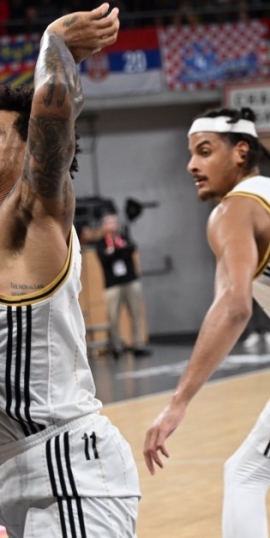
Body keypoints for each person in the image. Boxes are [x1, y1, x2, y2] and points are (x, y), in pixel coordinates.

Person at [0, 5, 140, 537]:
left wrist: (54, 44)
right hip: (16, 470)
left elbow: (54, 120)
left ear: (29, 146)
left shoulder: (32, 220)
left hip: (68, 466)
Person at [143, 107, 270, 538]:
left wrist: (178, 401)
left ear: (240, 152)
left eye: (204, 151)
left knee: (246, 473)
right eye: (190, 153)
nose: (191, 165)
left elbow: (234, 306)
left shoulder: (235, 209)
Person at [95, 211, 150, 358]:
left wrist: (115, 252)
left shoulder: (124, 238)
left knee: (136, 313)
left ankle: (138, 344)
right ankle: (116, 346)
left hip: (130, 281)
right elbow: (105, 259)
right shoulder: (100, 243)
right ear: (104, 226)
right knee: (113, 316)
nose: (114, 224)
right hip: (113, 284)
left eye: (115, 221)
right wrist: (119, 251)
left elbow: (131, 249)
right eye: (110, 222)